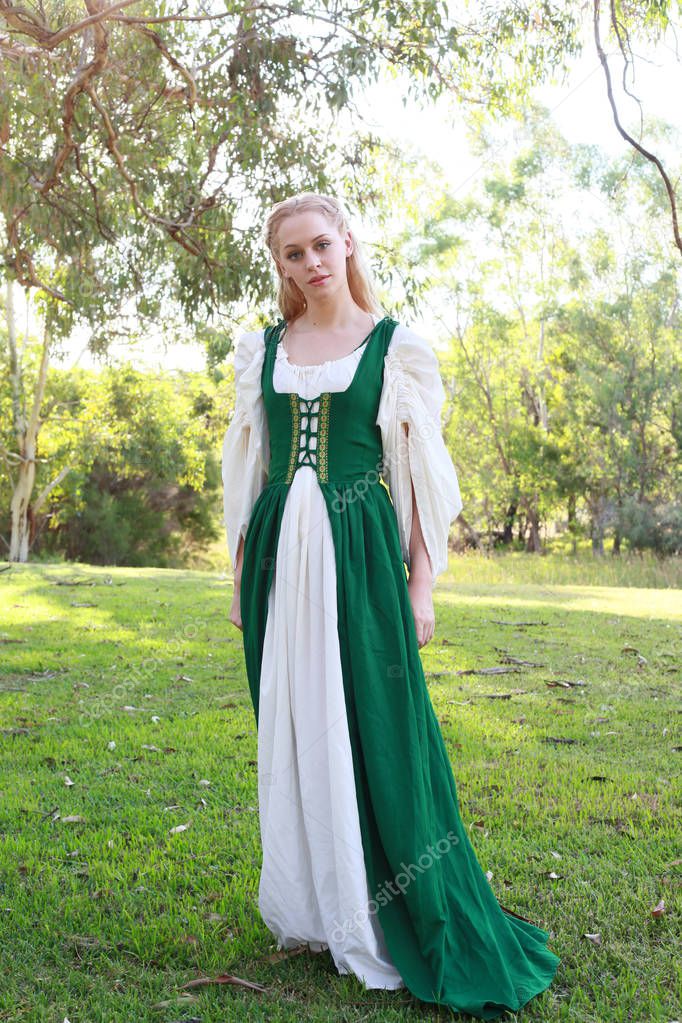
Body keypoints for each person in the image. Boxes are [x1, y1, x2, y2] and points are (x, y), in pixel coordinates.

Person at [221, 192, 561, 1019]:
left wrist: (421, 584)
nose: (311, 263)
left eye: (322, 245)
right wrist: (237, 577)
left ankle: (385, 906)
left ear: (347, 243)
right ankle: (318, 908)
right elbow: (249, 469)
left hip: (360, 551)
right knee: (297, 721)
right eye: (293, 253)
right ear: (282, 267)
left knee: (377, 724)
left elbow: (415, 481)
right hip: (279, 556)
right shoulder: (263, 348)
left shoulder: (394, 347)